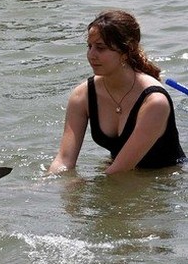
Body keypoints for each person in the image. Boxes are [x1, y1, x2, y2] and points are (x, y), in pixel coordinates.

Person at [49, 10, 184, 175]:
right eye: (89, 47)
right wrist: (44, 185)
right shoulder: (82, 95)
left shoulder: (155, 102)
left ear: (126, 52)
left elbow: (118, 172)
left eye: (101, 48)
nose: (91, 55)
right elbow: (64, 160)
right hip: (115, 171)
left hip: (162, 181)